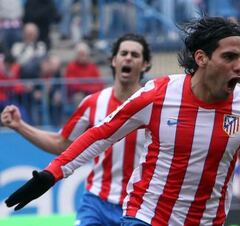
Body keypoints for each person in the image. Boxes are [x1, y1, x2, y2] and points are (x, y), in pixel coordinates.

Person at [4, 17, 240, 226]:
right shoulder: (158, 93)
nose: (239, 67)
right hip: (146, 216)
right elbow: (101, 135)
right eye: (229, 57)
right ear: (201, 58)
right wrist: (51, 175)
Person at [1, 33, 152, 226]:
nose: (128, 57)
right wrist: (19, 126)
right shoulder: (93, 103)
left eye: (135, 54)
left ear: (145, 64)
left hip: (137, 207)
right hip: (96, 202)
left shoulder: (153, 105)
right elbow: (61, 143)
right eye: (124, 53)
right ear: (114, 60)